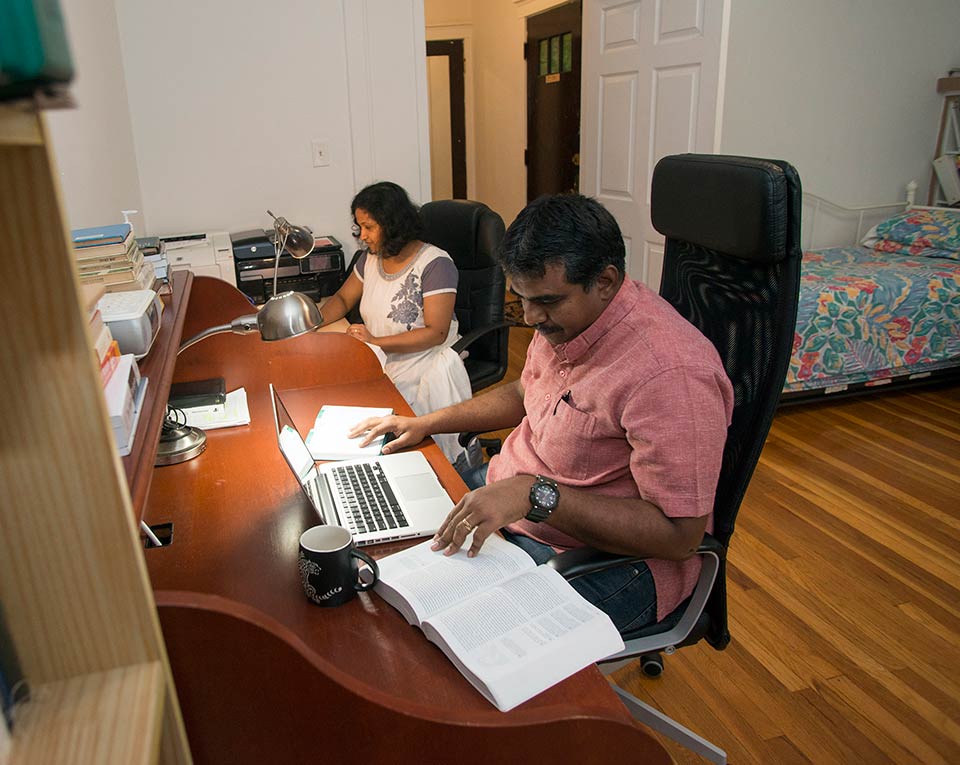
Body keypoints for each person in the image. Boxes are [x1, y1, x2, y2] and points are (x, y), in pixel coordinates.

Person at [349, 193, 734, 633]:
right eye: (522, 298)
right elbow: (525, 391)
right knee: (376, 562)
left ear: (605, 281)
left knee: (439, 641)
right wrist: (427, 422)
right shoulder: (569, 320)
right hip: (515, 504)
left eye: (547, 301)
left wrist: (536, 495)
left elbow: (680, 537)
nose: (531, 317)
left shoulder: (670, 373)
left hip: (603, 560)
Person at [319, 181, 472, 466]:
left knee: (380, 423)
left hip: (422, 358)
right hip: (381, 353)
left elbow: (435, 333)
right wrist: (313, 322)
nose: (362, 236)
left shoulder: (436, 264)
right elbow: (342, 298)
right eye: (359, 226)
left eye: (369, 227)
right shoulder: (370, 259)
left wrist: (375, 341)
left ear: (393, 224)